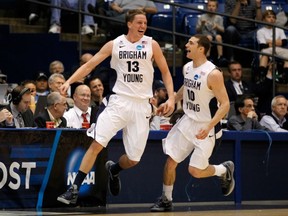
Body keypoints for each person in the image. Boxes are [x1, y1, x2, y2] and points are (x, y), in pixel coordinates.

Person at [57, 9, 175, 205]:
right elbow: (89, 66)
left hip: (141, 106)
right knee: (97, 143)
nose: (143, 26)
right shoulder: (115, 44)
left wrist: (170, 98)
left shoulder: (152, 44)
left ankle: (114, 169)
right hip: (119, 101)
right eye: (139, 22)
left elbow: (165, 72)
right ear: (129, 24)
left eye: (145, 23)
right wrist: (69, 81)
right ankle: (74, 188)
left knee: (134, 159)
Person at [150, 34, 233, 212]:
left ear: (201, 49)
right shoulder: (187, 67)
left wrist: (209, 126)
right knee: (171, 161)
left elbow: (225, 104)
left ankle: (223, 170)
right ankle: (166, 199)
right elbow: (186, 87)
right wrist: (171, 100)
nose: (186, 45)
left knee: (195, 171)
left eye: (191, 43)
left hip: (206, 125)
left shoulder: (214, 74)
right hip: (188, 120)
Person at [256, 9, 288, 83]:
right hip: (267, 50)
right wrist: (277, 42)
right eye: (269, 17)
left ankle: (285, 76)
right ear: (264, 19)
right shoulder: (260, 31)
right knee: (264, 53)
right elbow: (263, 45)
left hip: (279, 50)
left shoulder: (280, 30)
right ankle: (261, 75)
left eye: (273, 17)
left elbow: (284, 42)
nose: (271, 19)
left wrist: (270, 42)